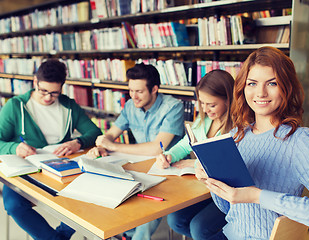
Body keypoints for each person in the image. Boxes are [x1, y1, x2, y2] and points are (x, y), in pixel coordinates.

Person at [195, 46, 309, 240]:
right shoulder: (237, 135)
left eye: (272, 83)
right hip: (230, 234)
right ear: (243, 88)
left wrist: (258, 196)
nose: (260, 93)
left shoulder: (300, 140)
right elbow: (228, 208)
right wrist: (212, 181)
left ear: (286, 88)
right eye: (252, 83)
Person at [0, 59, 102, 240]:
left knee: (89, 194)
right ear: (35, 82)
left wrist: (78, 142)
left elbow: (95, 132)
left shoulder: (68, 105)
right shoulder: (15, 106)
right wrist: (14, 147)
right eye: (43, 91)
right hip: (25, 171)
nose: (48, 98)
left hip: (61, 169)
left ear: (62, 87)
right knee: (13, 205)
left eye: (54, 93)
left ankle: (59, 236)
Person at [87, 63, 184, 240]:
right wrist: (103, 144)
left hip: (170, 170)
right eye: (131, 90)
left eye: (139, 91)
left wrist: (114, 146)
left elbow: (157, 148)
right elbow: (112, 133)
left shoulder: (173, 107)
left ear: (154, 89)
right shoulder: (131, 105)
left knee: (147, 209)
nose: (133, 96)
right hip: (140, 167)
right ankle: (124, 234)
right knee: (107, 192)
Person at [156, 69, 234, 239]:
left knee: (199, 228)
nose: (205, 109)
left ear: (228, 100)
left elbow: (222, 165)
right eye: (202, 103)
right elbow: (185, 145)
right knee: (175, 220)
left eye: (211, 104)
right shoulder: (204, 120)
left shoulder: (236, 129)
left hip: (227, 192)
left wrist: (193, 164)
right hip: (206, 189)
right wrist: (170, 155)